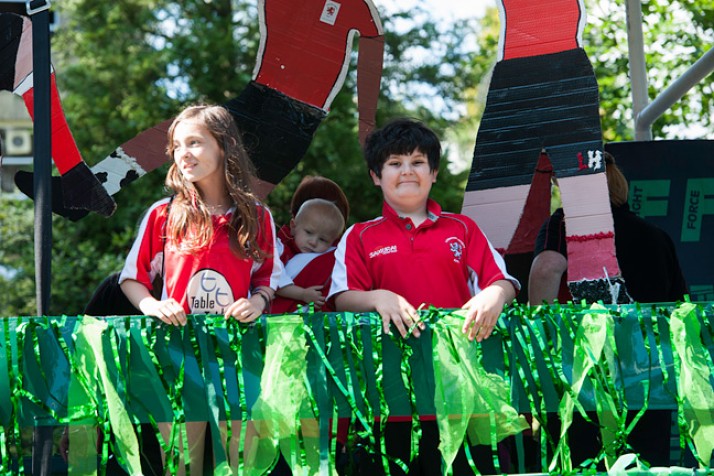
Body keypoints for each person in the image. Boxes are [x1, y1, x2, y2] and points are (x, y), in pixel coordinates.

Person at [328, 117, 520, 474]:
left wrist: (495, 294)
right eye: (394, 163)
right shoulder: (358, 236)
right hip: (389, 395)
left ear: (433, 173)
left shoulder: (463, 228)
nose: (407, 171)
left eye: (417, 162)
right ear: (375, 175)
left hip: (461, 390)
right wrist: (378, 297)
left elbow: (503, 282)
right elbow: (342, 298)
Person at [119, 104, 283, 474]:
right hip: (177, 357)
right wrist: (151, 306)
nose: (184, 154)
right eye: (177, 146)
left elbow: (268, 277)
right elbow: (132, 278)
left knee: (241, 465)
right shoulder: (164, 212)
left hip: (239, 358)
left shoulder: (258, 216)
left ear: (224, 146)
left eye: (194, 142)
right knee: (181, 465)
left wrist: (257, 301)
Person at [528, 151, 688, 469]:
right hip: (650, 381)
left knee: (582, 465)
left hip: (584, 378)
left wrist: (539, 344)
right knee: (646, 468)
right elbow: (680, 309)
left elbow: (546, 269)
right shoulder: (657, 236)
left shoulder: (565, 224)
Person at [272, 198, 346, 313]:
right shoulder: (279, 249)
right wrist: (302, 294)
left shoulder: (330, 260)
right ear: (293, 227)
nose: (313, 242)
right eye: (309, 232)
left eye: (323, 239)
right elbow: (273, 279)